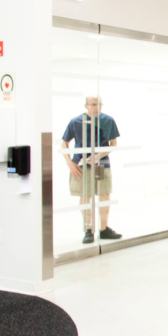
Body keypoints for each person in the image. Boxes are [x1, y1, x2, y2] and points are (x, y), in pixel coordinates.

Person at [61, 96, 123, 244]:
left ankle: (103, 229)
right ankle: (88, 230)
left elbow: (113, 144)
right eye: (93, 104)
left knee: (103, 195)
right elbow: (64, 144)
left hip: (100, 165)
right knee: (85, 197)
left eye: (99, 104)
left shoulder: (108, 120)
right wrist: (69, 163)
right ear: (86, 106)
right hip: (81, 166)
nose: (96, 107)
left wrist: (98, 155)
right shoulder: (75, 122)